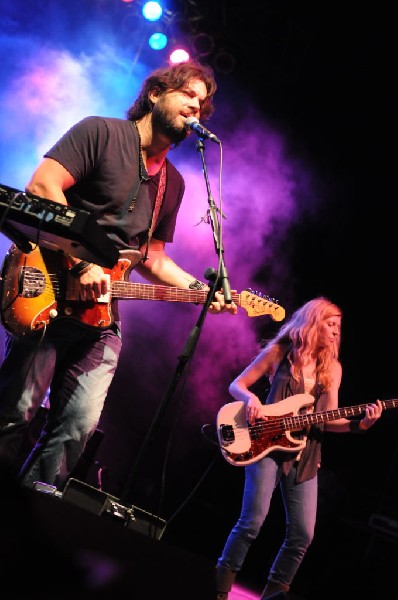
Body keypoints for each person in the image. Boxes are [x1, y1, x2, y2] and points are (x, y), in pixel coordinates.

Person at [0, 59, 237, 491]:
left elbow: (153, 258)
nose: (196, 109)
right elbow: (43, 187)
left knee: (77, 428)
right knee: (15, 411)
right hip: (47, 291)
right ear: (155, 94)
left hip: (101, 319)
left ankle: (31, 512)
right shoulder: (101, 133)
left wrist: (202, 291)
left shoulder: (174, 184)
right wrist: (84, 262)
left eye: (202, 105)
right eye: (188, 95)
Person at [215, 297, 382, 599]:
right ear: (314, 322)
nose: (335, 332)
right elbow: (237, 384)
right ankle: (220, 588)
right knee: (251, 521)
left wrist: (361, 425)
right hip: (264, 445)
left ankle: (274, 594)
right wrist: (251, 400)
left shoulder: (332, 368)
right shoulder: (279, 352)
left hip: (305, 454)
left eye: (339, 328)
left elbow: (329, 419)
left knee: (303, 535)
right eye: (330, 324)